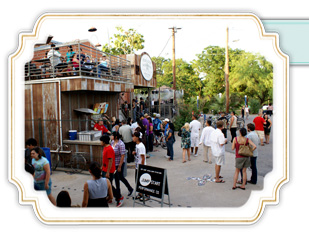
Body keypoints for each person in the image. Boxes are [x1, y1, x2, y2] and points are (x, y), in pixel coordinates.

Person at [100, 135, 124, 207]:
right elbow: (105, 159)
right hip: (105, 169)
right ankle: (110, 197)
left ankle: (119, 197)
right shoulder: (105, 148)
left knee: (109, 185)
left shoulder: (109, 149)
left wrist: (107, 172)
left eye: (101, 141)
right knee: (107, 185)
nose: (100, 142)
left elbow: (110, 161)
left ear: (104, 142)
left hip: (109, 171)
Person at [111, 132, 134, 197]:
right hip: (114, 163)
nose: (111, 136)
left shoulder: (121, 144)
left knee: (118, 178)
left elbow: (122, 155)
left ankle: (118, 192)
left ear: (115, 137)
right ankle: (129, 188)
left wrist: (120, 166)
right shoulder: (112, 142)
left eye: (112, 135)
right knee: (119, 177)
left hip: (119, 163)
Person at [132, 131, 149, 201]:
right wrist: (135, 153)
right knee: (138, 181)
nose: (133, 138)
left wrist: (142, 167)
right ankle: (140, 193)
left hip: (140, 166)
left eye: (134, 136)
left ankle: (147, 195)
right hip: (137, 166)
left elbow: (143, 157)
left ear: (137, 138)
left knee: (142, 181)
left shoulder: (141, 146)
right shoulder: (137, 145)